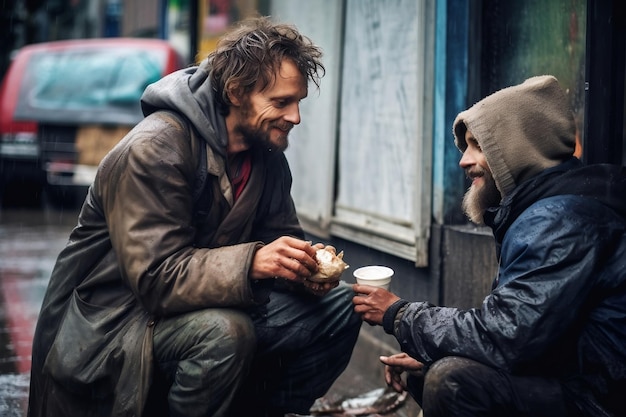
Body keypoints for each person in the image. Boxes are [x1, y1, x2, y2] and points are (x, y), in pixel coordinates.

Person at [28, 17, 361, 417]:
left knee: (342, 307)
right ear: (236, 92)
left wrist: (305, 271)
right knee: (224, 332)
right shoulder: (154, 149)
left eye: (298, 102)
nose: (295, 117)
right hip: (115, 324)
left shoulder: (266, 158)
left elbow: (280, 245)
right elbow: (155, 280)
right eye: (281, 102)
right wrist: (253, 261)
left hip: (189, 311)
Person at [352, 75, 626, 416]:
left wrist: (399, 314)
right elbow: (528, 336)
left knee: (451, 381)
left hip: (597, 401)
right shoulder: (547, 209)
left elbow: (505, 334)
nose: (464, 161)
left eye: (478, 145)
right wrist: (428, 349)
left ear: (518, 149)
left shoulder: (559, 219)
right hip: (571, 379)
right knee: (430, 371)